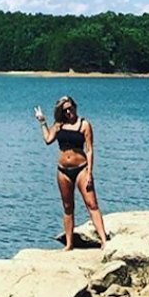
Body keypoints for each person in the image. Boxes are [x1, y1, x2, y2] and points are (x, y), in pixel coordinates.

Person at [34, 96, 108, 250]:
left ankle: (104, 241)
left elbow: (89, 150)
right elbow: (48, 140)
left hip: (81, 168)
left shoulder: (84, 124)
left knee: (92, 204)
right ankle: (69, 244)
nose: (68, 112)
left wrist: (89, 173)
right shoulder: (59, 125)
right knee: (68, 207)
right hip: (63, 171)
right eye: (65, 110)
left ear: (75, 107)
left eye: (70, 108)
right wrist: (42, 122)